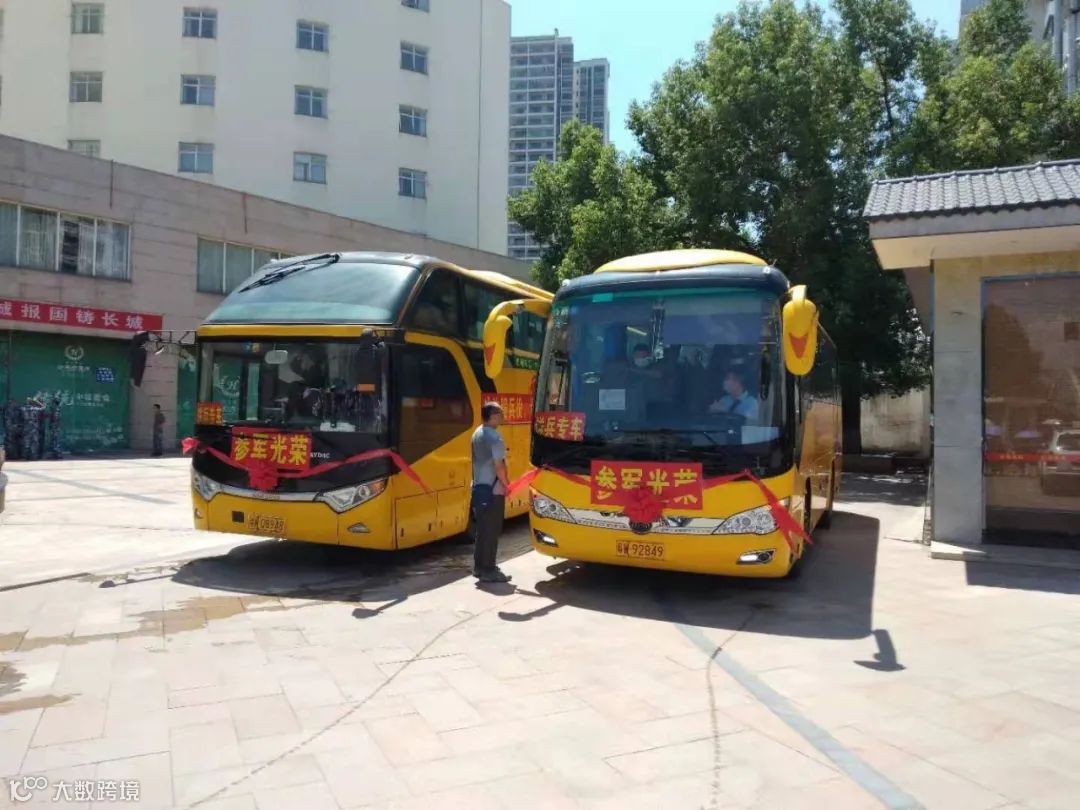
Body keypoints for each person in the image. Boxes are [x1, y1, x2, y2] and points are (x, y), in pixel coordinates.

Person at [470, 402, 512, 584]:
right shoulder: (495, 438)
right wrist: (507, 485)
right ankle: (489, 570)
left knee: (482, 530)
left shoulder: (477, 433)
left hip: (479, 488)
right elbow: (499, 466)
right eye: (500, 414)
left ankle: (479, 567)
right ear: (493, 416)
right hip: (493, 491)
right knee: (492, 531)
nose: (502, 418)